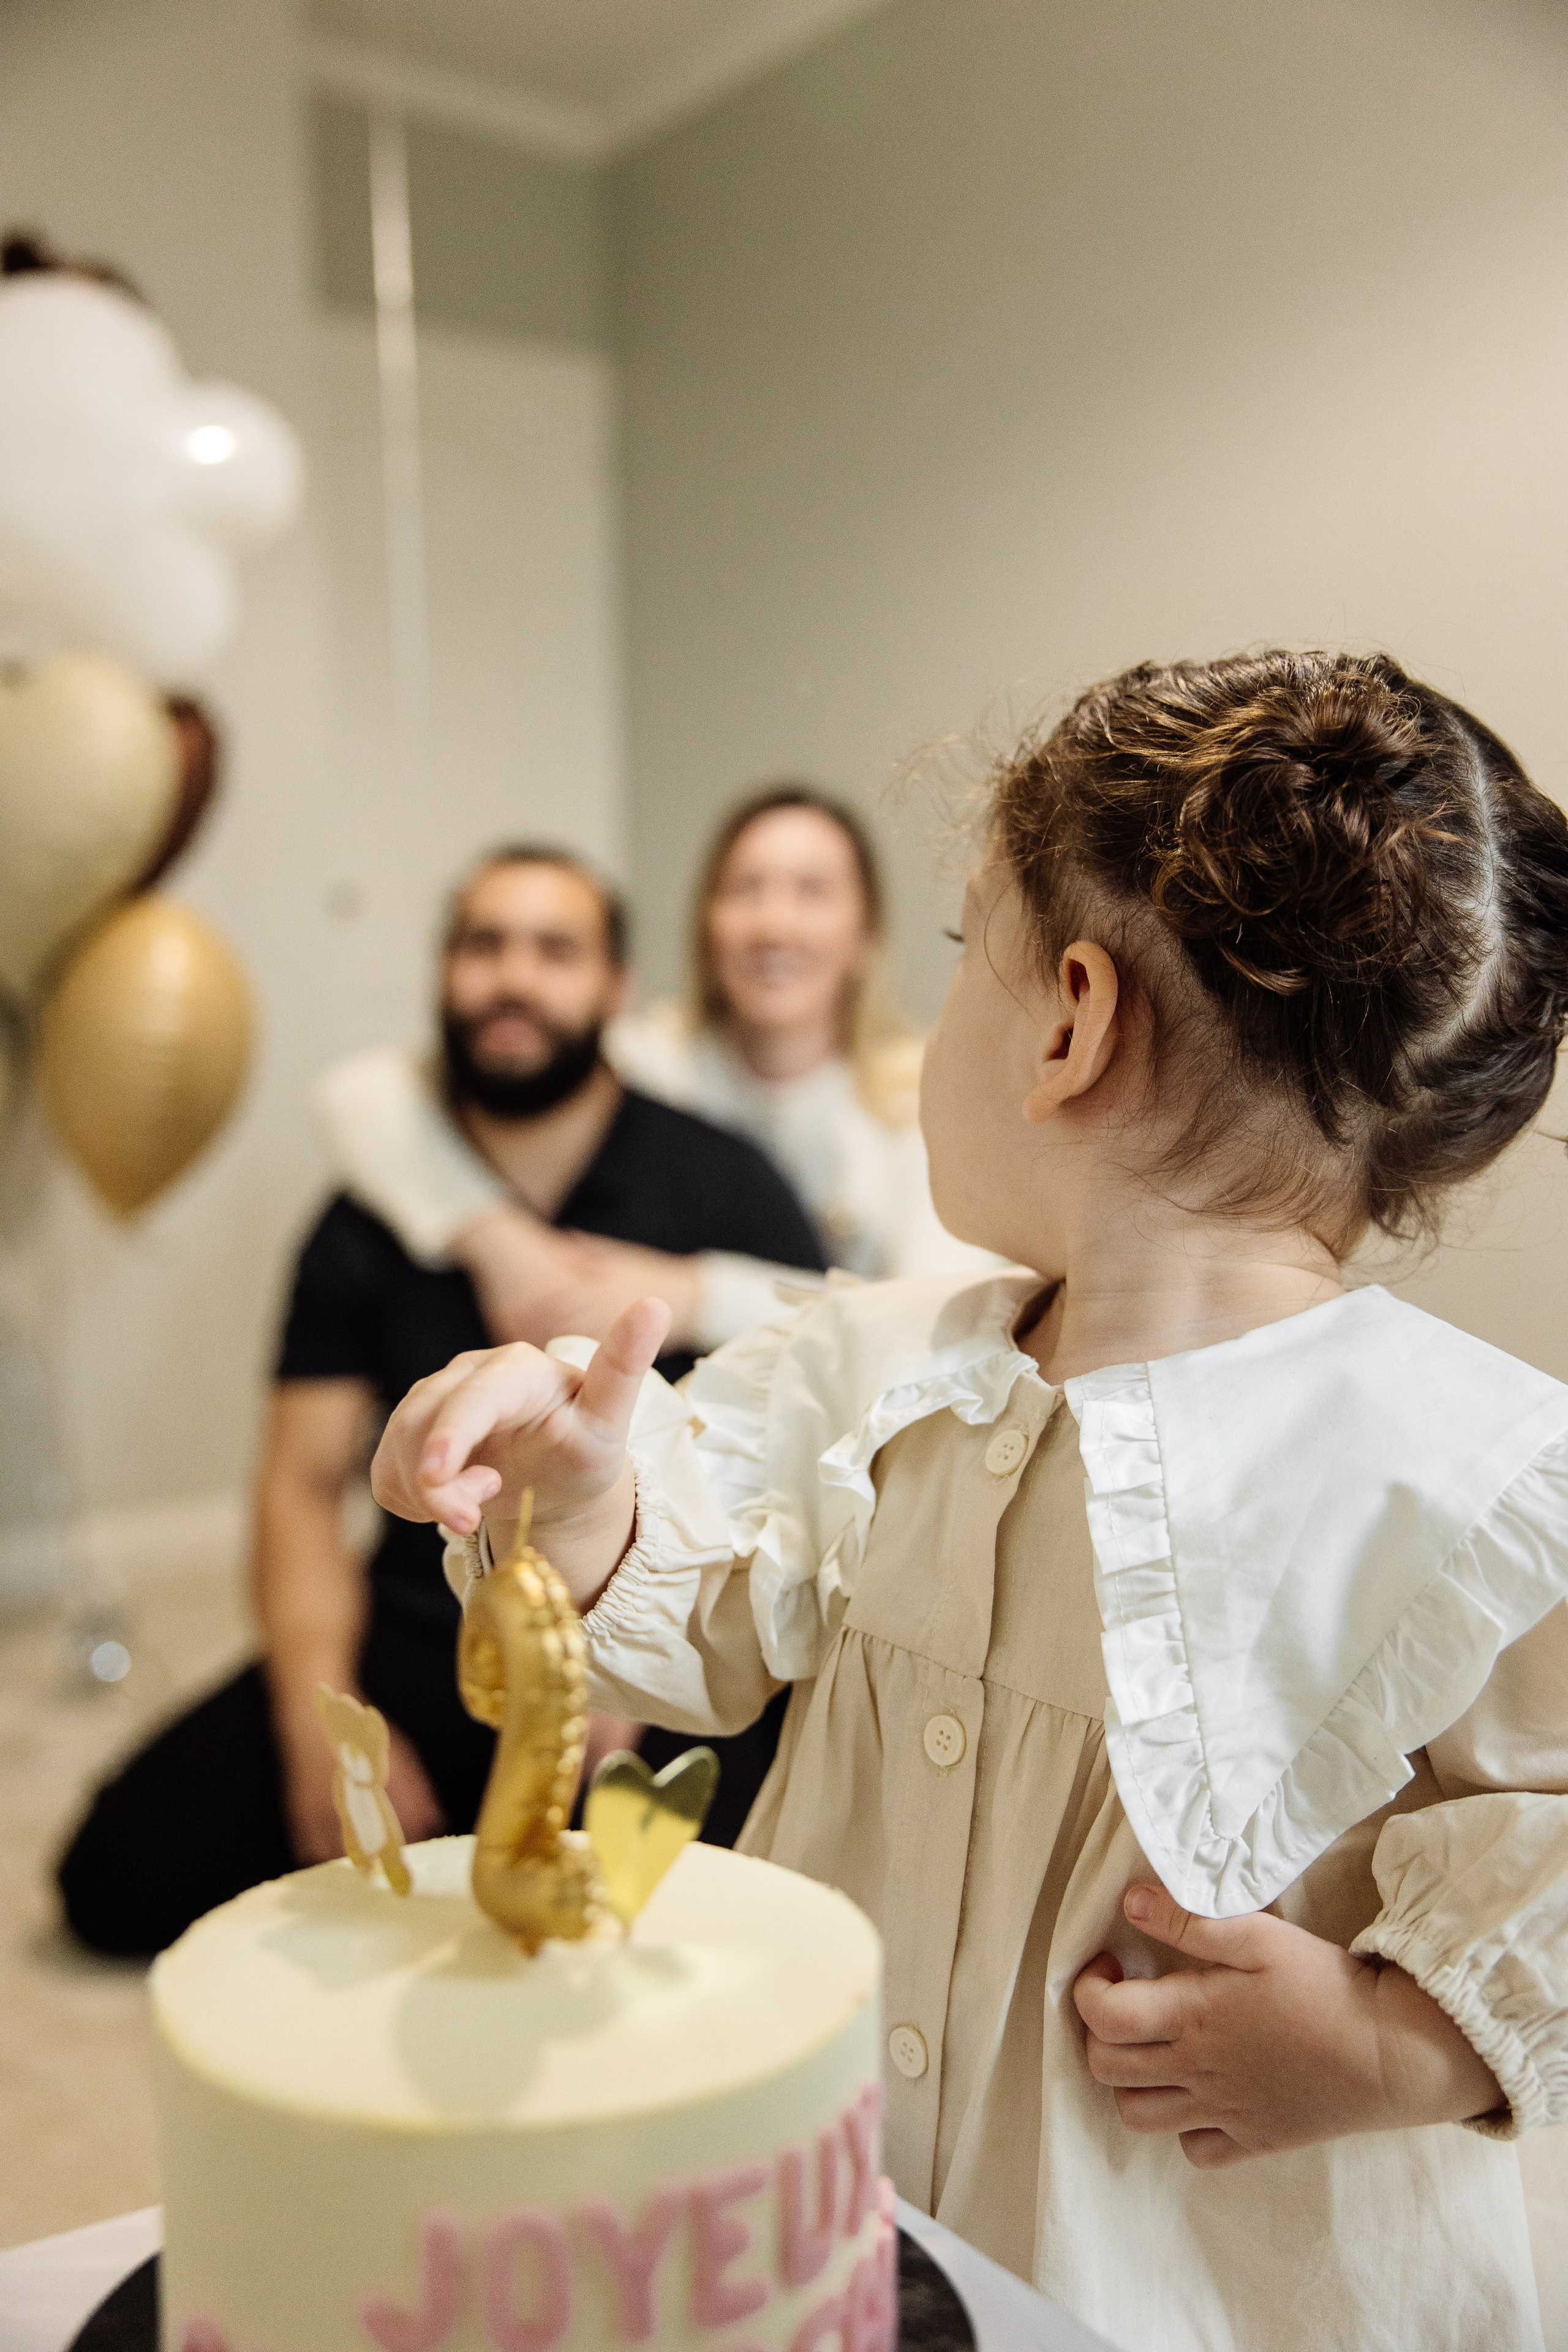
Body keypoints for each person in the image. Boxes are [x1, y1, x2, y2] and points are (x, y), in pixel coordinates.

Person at [374, 653, 1568, 2352]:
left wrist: (1398, 2041)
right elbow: (693, 1624)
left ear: (1070, 1019)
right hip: (849, 2213)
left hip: (1193, 2288)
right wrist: (579, 1505)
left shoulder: (1477, 1476)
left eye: (960, 959)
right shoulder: (869, 1368)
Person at [56, 846, 825, 1958]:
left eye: (554, 949)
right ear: (443, 977)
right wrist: (316, 1715)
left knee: (746, 1929)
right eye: (483, 944)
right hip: (428, 1637)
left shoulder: (727, 1183)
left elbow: (802, 1475)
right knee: (115, 1877)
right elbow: (301, 1485)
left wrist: (649, 1660)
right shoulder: (365, 1219)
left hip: (667, 1667)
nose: (513, 977)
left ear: (615, 988)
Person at [316, 786, 995, 1349]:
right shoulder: (642, 1062)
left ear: (863, 934)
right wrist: (498, 1244)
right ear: (706, 923)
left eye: (812, 891)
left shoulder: (927, 1101)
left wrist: (692, 1296)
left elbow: (928, 1327)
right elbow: (357, 1097)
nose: (773, 923)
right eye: (745, 890)